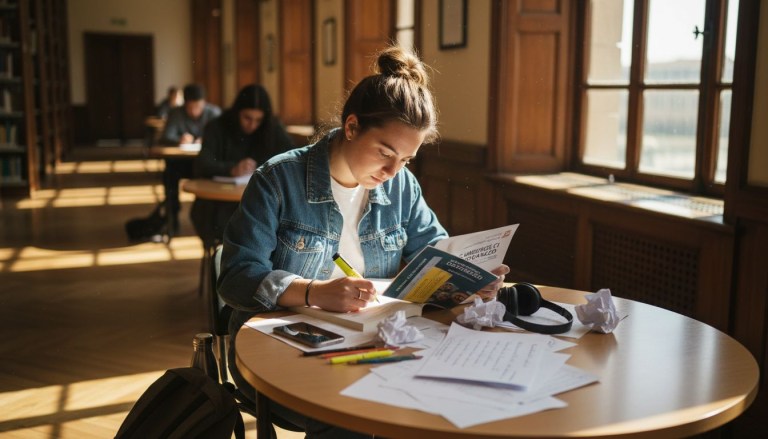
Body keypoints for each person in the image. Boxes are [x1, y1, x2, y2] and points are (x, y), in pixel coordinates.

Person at [217, 46, 510, 438]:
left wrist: (471, 278)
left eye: (406, 160)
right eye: (385, 153)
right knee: (349, 410)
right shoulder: (278, 180)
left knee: (453, 395)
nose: (392, 172)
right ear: (351, 127)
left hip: (374, 343)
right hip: (282, 348)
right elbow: (236, 277)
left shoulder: (402, 185)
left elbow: (435, 250)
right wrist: (313, 292)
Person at [190, 84, 295, 243]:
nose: (252, 125)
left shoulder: (272, 128)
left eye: (258, 120)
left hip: (262, 204)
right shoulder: (217, 127)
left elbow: (292, 159)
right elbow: (201, 164)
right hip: (220, 206)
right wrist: (231, 169)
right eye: (247, 118)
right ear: (237, 112)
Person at [160, 84, 222, 234]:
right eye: (190, 108)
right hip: (183, 162)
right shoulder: (176, 113)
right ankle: (172, 215)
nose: (194, 112)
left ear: (204, 103)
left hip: (208, 163)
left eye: (198, 107)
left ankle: (213, 221)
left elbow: (222, 138)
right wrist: (178, 139)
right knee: (169, 175)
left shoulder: (214, 112)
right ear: (184, 105)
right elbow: (166, 136)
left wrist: (208, 141)